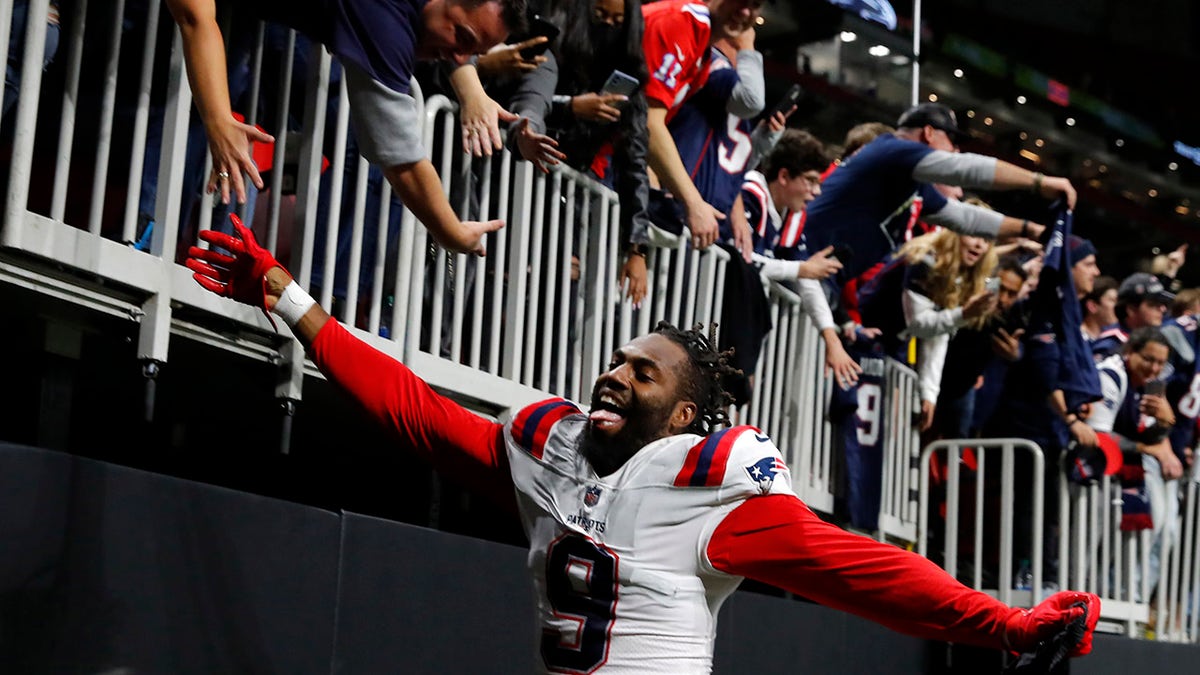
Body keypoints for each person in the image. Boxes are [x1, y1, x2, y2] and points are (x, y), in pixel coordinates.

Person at [185, 217, 1100, 673]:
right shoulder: (554, 454)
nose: (616, 375)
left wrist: (1000, 621)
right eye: (617, 362)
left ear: (684, 418)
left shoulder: (708, 492)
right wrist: (293, 301)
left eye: (645, 374)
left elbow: (856, 566)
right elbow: (416, 413)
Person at [164, 0, 534, 255]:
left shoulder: (411, 19)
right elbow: (401, 158)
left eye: (472, 51)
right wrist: (451, 231)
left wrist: (470, 89)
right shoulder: (384, 17)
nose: (458, 57)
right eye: (463, 38)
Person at [803, 102, 1077, 285]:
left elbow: (963, 217)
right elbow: (963, 168)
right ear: (929, 133)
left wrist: (1030, 230)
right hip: (802, 266)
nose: (954, 149)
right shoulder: (893, 150)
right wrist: (1039, 182)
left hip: (820, 277)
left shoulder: (910, 182)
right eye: (952, 140)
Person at [642, 0, 764, 251]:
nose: (745, 11)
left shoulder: (702, 50)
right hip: (588, 160)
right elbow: (648, 122)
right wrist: (693, 202)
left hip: (613, 172)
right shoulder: (681, 21)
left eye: (755, 4)